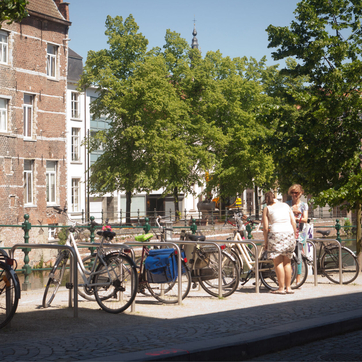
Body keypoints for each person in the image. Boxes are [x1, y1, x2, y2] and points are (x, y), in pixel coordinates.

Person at [262, 191, 297, 294]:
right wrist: (294, 236)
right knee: (287, 262)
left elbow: (265, 227)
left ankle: (281, 288)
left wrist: (266, 241)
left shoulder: (267, 208)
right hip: (289, 234)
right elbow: (293, 222)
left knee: (278, 262)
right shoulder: (286, 205)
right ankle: (289, 288)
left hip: (276, 234)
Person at [286, 184, 309, 287]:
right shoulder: (287, 205)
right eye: (292, 193)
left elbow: (305, 219)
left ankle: (298, 279)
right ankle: (289, 277)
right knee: (288, 256)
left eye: (296, 193)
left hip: (300, 234)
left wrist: (293, 217)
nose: (294, 195)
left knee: (298, 256)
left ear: (300, 193)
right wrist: (293, 212)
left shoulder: (304, 205)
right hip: (288, 232)